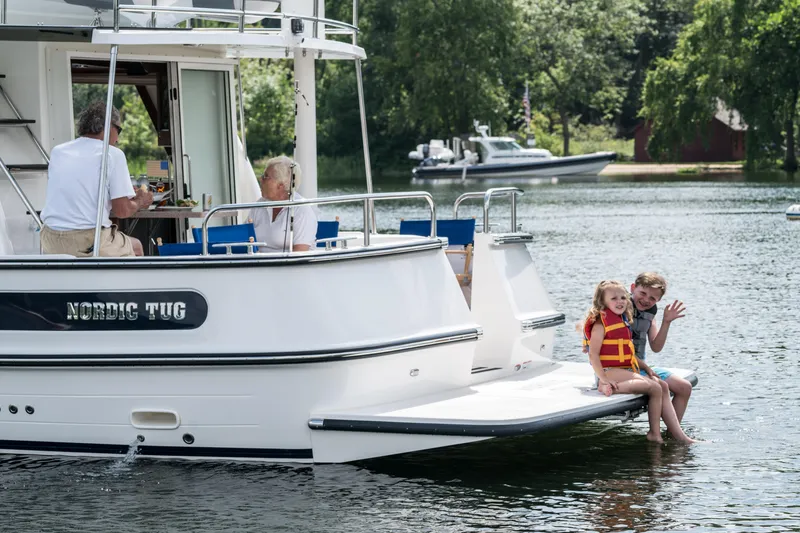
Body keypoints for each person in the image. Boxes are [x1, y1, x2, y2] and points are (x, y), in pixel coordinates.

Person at [583, 280, 696, 444]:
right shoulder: (605, 321)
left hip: (631, 367)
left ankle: (671, 435)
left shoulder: (624, 320)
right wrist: (603, 378)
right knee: (656, 386)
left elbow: (632, 352)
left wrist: (647, 368)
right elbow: (593, 353)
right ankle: (661, 434)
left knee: (666, 386)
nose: (620, 301)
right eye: (614, 298)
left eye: (623, 298)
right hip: (610, 371)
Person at [40, 101, 152, 257]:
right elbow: (122, 211)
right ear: (109, 127)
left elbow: (78, 194)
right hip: (87, 241)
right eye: (119, 130)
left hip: (50, 238)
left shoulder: (58, 151)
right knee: (137, 247)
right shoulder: (112, 154)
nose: (118, 139)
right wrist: (140, 201)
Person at [630, 272, 692, 422]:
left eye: (652, 298)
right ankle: (667, 432)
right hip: (620, 368)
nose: (646, 300)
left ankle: (671, 433)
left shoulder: (650, 314)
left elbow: (656, 347)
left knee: (685, 387)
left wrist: (666, 322)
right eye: (642, 293)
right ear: (632, 288)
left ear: (659, 300)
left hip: (641, 368)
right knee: (661, 385)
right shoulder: (619, 308)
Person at [248, 156, 317, 252]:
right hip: (257, 261)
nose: (261, 179)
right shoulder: (260, 204)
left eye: (265, 176)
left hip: (287, 262)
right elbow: (244, 237)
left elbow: (300, 253)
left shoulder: (302, 210)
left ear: (280, 185)